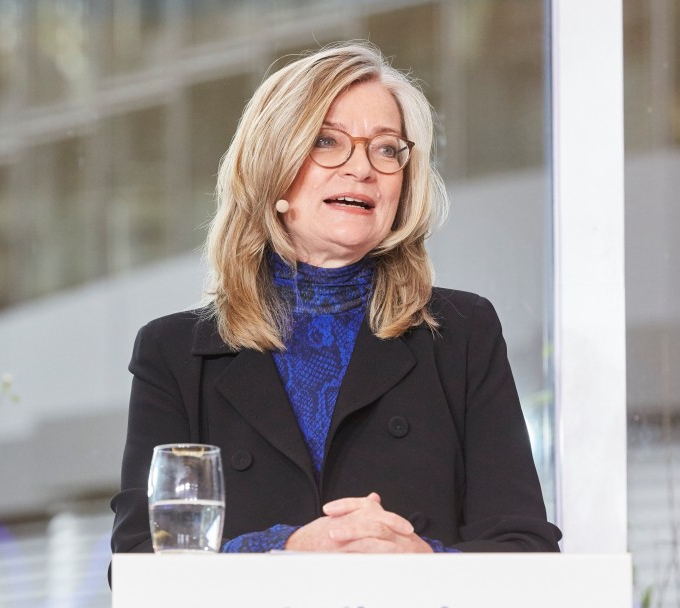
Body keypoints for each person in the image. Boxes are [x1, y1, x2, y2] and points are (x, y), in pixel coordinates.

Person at [110, 41, 560, 555]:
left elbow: (525, 548)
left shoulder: (463, 332)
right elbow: (138, 560)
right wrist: (287, 553)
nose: (363, 168)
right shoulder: (174, 352)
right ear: (272, 168)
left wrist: (425, 560)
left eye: (387, 148)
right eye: (328, 141)